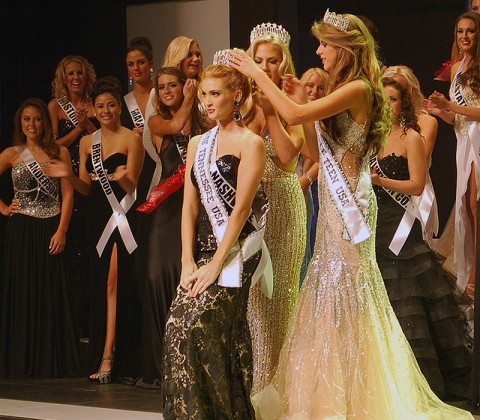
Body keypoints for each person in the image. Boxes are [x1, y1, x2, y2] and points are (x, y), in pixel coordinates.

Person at [230, 9, 474, 418]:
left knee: (352, 291)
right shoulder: (341, 87)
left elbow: (291, 117)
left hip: (351, 204)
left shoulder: (359, 87)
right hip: (329, 201)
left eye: (325, 44)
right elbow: (311, 148)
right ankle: (326, 389)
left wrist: (260, 78)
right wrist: (298, 98)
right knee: (326, 289)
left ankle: (360, 391)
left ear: (345, 49)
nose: (319, 51)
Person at [161, 57, 268, 419]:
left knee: (203, 327)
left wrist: (215, 264)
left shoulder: (252, 143)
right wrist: (187, 261)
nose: (207, 102)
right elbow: (189, 207)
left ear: (236, 96)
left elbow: (240, 210)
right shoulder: (196, 144)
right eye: (204, 94)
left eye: (216, 94)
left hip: (237, 248)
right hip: (201, 251)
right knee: (177, 326)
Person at [372, 77, 471, 398]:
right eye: (382, 99)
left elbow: (416, 186)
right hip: (374, 229)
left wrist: (379, 180)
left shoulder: (410, 138)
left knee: (410, 303)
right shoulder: (370, 140)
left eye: (393, 100)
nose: (387, 105)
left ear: (403, 104)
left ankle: (418, 385)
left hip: (402, 228)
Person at [46, 77, 145, 383]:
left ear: (119, 108)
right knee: (101, 284)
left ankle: (109, 354)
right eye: (100, 106)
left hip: (124, 217)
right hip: (97, 217)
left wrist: (122, 177)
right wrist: (67, 174)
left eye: (111, 105)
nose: (105, 110)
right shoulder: (88, 142)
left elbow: (134, 186)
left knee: (114, 285)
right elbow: (86, 188)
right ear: (92, 109)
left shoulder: (132, 138)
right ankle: (105, 350)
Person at [134, 67, 209, 388]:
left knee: (191, 278)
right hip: (166, 208)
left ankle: (190, 360)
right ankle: (161, 361)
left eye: (173, 86)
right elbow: (177, 125)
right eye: (161, 87)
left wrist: (194, 101)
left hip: (198, 204)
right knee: (157, 275)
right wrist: (190, 95)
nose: (165, 91)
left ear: (183, 86)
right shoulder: (155, 121)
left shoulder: (203, 119)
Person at [243, 22, 307, 393]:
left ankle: (275, 395)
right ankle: (254, 390)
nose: (264, 67)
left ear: (283, 65)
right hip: (249, 211)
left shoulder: (289, 102)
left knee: (279, 302)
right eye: (259, 60)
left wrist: (269, 112)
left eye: (272, 61)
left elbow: (286, 156)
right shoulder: (239, 101)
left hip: (283, 207)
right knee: (253, 307)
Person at [0, 98, 81, 378]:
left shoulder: (59, 151)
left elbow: (68, 194)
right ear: (20, 123)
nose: (31, 124)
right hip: (21, 230)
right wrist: (4, 208)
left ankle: (51, 361)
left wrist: (62, 230)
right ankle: (22, 361)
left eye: (36, 119)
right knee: (24, 292)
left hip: (51, 228)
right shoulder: (12, 152)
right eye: (26, 119)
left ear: (44, 123)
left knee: (51, 292)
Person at [424, 11, 480, 407]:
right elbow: (457, 120)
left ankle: (475, 271)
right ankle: (474, 269)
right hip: (465, 141)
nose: (464, 36)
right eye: (459, 31)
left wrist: (455, 109)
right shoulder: (457, 67)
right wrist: (439, 109)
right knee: (466, 208)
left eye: (471, 31)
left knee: (475, 203)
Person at [48, 55, 98, 339]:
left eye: (80, 72)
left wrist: (88, 126)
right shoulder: (55, 106)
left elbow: (106, 136)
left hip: (93, 178)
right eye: (70, 73)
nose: (76, 77)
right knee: (74, 253)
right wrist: (79, 128)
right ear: (63, 77)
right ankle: (74, 327)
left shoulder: (95, 105)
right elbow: (51, 145)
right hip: (68, 180)